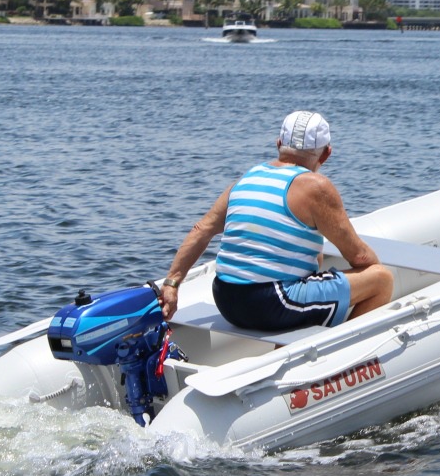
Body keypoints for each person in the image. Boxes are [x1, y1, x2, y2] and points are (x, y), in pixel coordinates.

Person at [156, 110, 393, 331]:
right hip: (271, 303)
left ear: (279, 144)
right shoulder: (316, 187)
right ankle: (341, 355)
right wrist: (370, 269)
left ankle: (292, 348)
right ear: (327, 153)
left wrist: (172, 283)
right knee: (381, 279)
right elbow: (359, 256)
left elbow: (202, 230)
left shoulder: (248, 178)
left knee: (315, 258)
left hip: (226, 298)